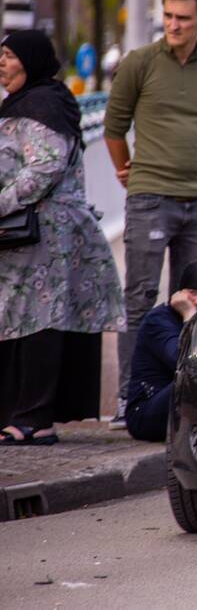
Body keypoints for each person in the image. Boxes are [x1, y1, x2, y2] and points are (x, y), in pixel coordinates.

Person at [103, 0, 197, 429]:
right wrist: (128, 173)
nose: (173, 25)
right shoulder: (139, 62)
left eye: (183, 18)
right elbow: (113, 127)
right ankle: (129, 398)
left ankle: (188, 393)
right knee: (139, 297)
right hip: (149, 197)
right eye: (168, 16)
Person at [0, 30, 125, 446]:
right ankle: (20, 414)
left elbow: (44, 170)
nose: (2, 63)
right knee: (20, 320)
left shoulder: (42, 104)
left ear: (31, 61)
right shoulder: (31, 101)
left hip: (44, 235)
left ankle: (36, 420)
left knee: (39, 323)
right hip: (26, 235)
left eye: (9, 55)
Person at [125, 261, 197, 442]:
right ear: (180, 294)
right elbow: (182, 361)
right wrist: (189, 315)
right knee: (193, 374)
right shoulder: (158, 320)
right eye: (192, 293)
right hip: (145, 415)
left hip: (178, 410)